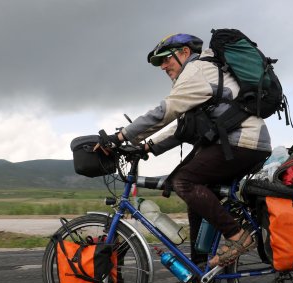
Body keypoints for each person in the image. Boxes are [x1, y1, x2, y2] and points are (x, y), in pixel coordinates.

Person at [107, 33, 272, 269]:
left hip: (242, 143)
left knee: (184, 182)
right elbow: (183, 129)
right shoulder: (201, 74)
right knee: (197, 198)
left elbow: (165, 111)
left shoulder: (196, 70)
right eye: (159, 63)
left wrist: (121, 136)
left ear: (184, 52)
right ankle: (200, 268)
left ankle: (238, 237)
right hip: (243, 144)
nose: (163, 66)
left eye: (166, 59)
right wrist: (147, 147)